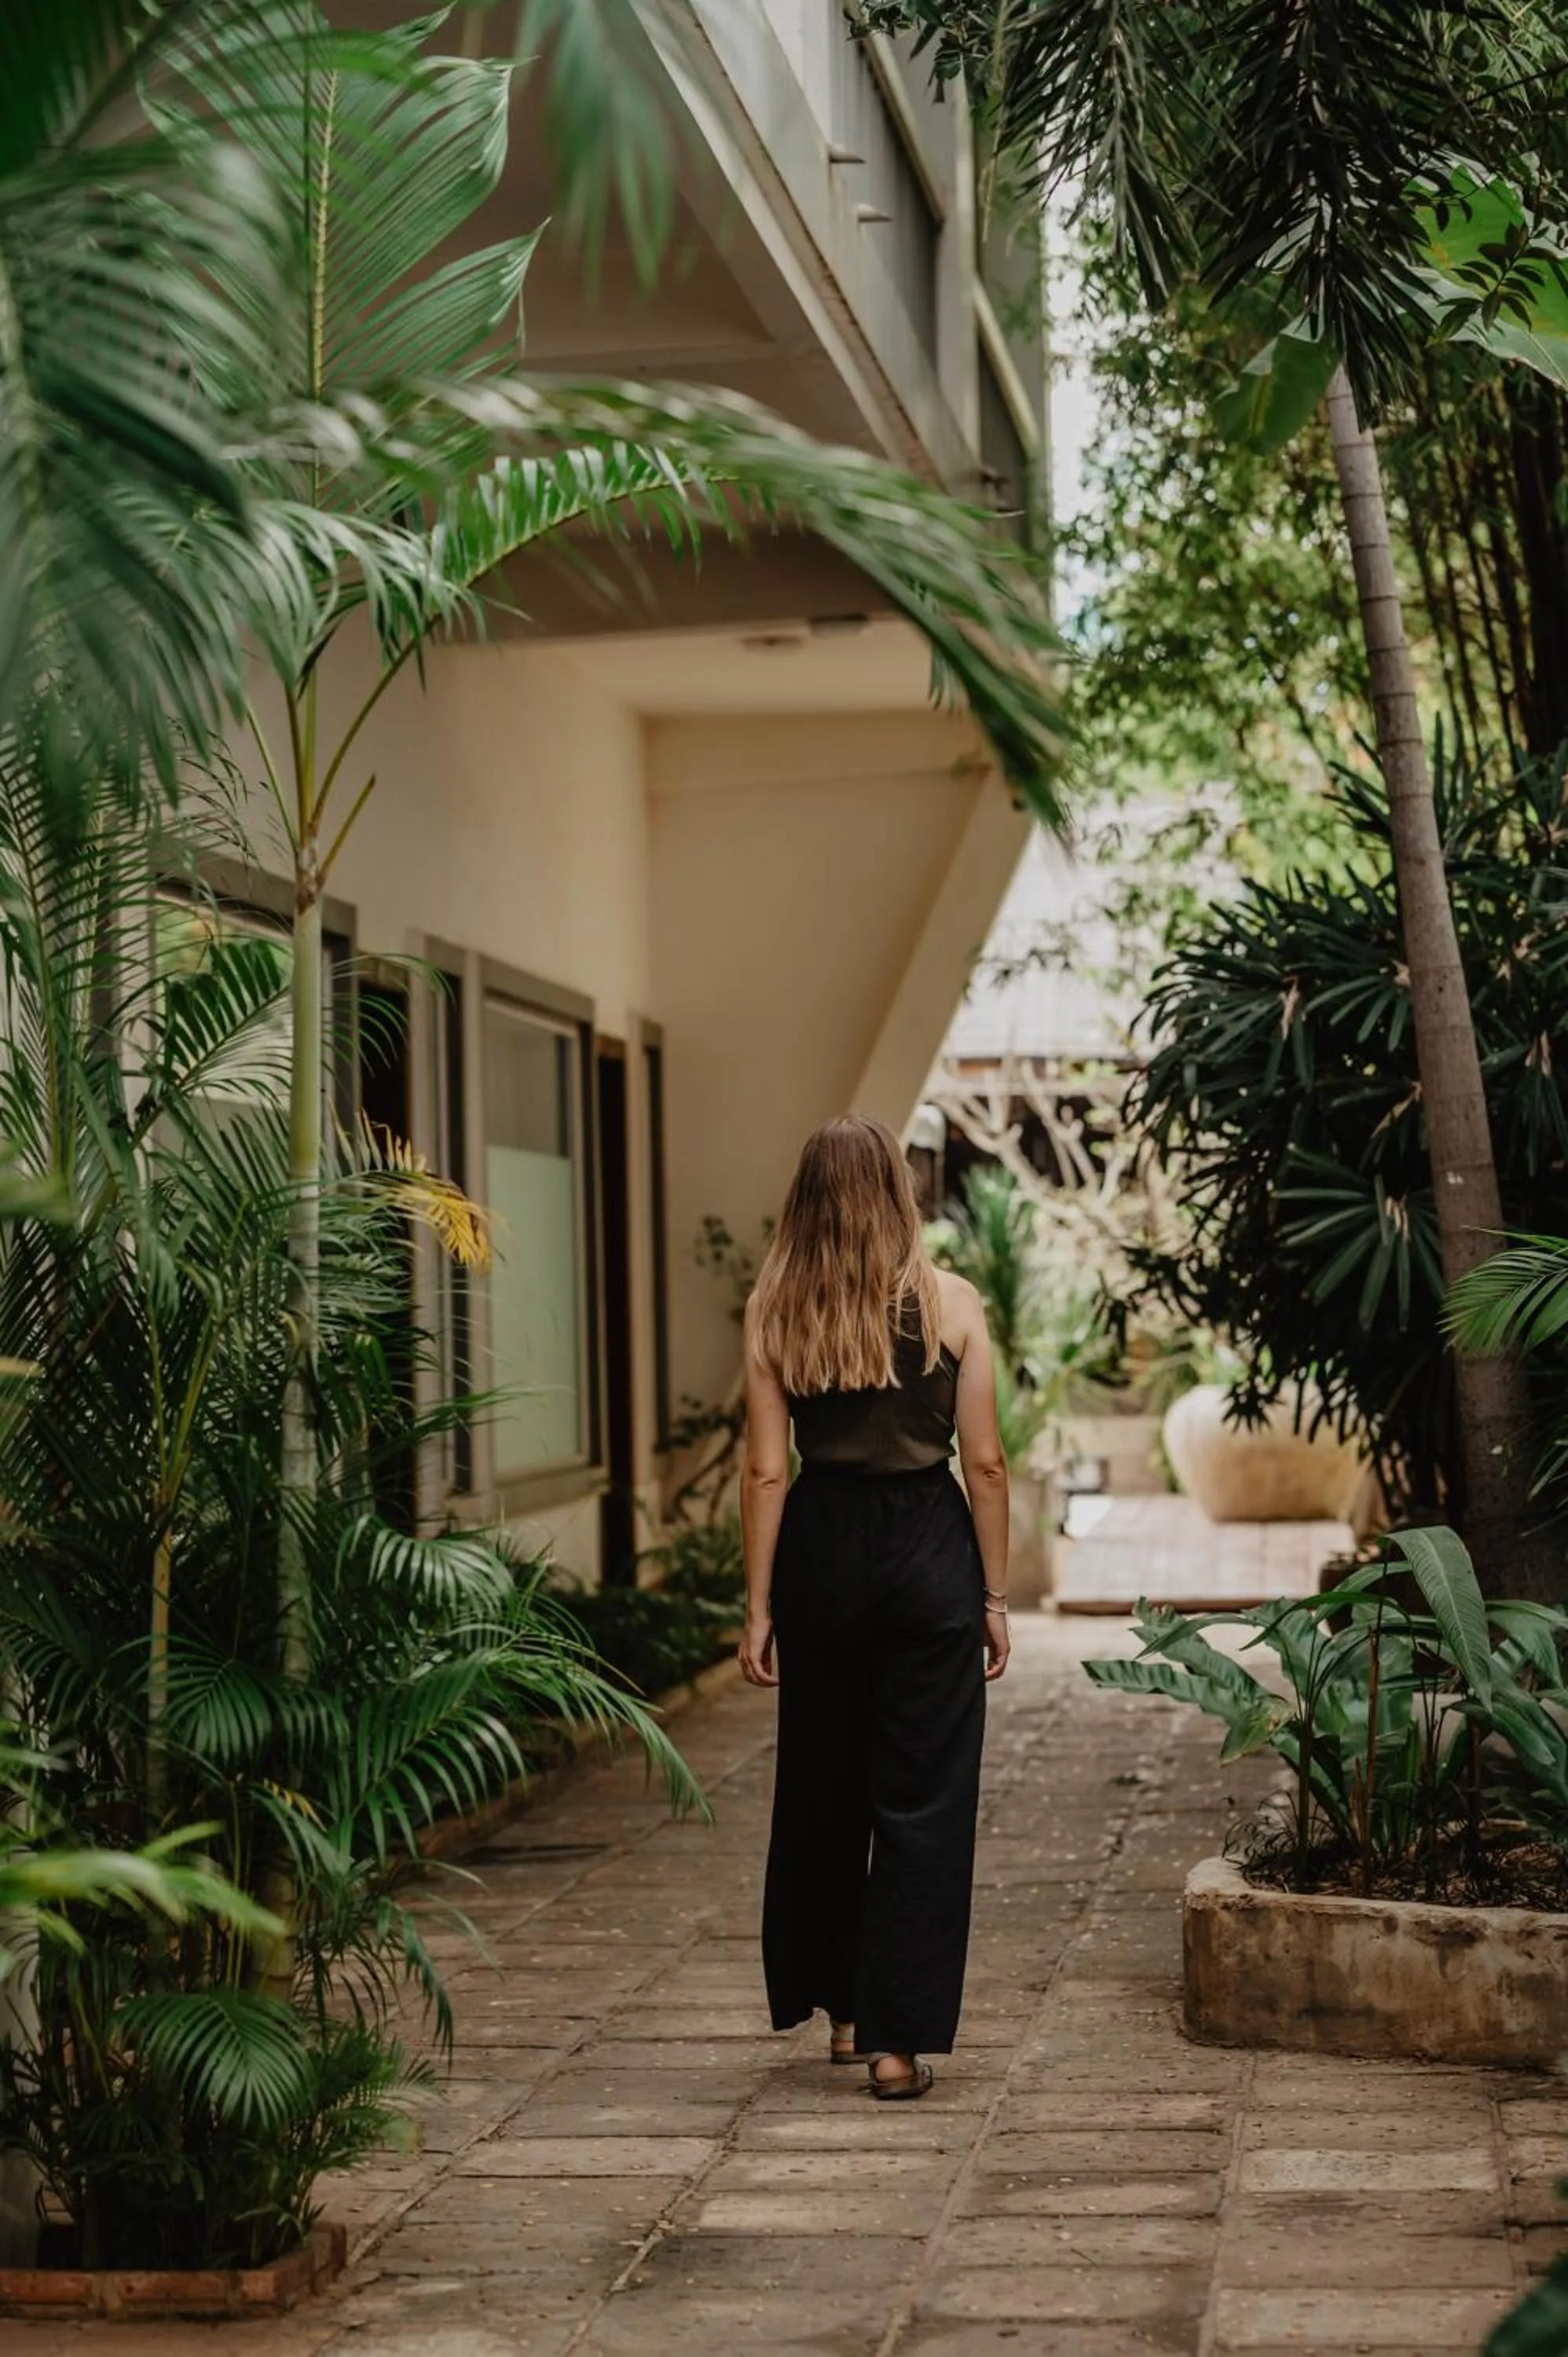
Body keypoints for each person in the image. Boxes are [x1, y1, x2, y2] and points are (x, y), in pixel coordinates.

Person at [737, 1114, 1010, 2102]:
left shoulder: (777, 1308)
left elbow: (768, 1472)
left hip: (822, 1556)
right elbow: (984, 1461)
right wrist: (993, 1595)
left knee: (826, 1788)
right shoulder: (953, 1304)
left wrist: (758, 1607)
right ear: (898, 1192)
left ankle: (846, 2011)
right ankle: (895, 2046)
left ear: (806, 1198)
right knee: (923, 1803)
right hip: (930, 1555)